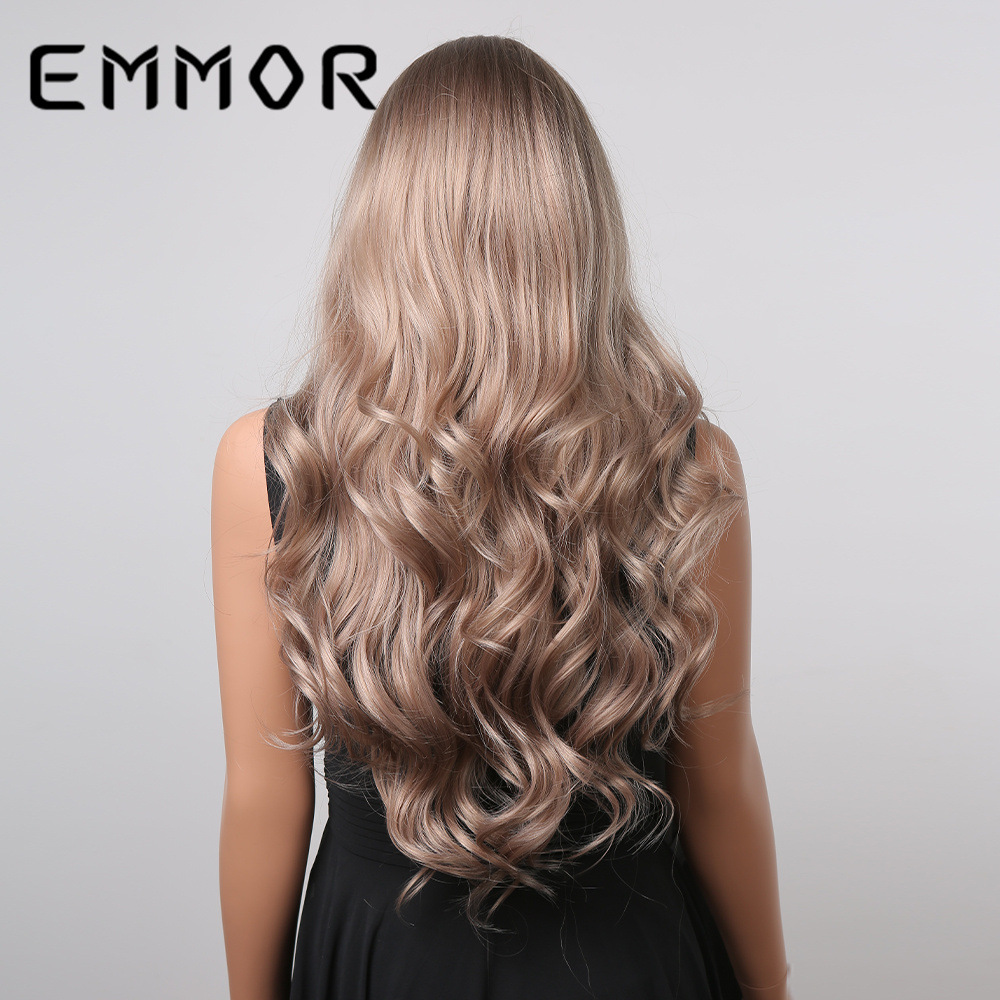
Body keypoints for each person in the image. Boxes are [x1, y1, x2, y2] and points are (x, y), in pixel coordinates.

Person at [211, 34, 791, 1000]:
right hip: (630, 960)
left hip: (384, 960)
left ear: (383, 220)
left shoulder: (273, 463)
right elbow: (720, 782)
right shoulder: (687, 464)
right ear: (578, 224)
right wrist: (772, 986)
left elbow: (262, 792)